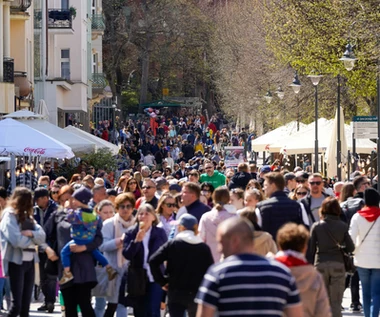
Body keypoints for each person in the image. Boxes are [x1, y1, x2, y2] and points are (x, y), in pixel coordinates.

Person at [195, 217, 303, 317]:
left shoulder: (217, 274)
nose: (219, 249)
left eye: (221, 242)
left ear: (235, 241)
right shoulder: (282, 273)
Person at [149, 214, 214, 317]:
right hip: (196, 293)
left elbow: (153, 261)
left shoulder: (172, 244)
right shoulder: (204, 248)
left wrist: (162, 281)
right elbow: (212, 271)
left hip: (175, 291)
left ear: (182, 227)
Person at [0, 187, 46, 317]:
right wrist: (33, 240)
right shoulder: (9, 216)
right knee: (17, 305)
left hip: (30, 261)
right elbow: (16, 240)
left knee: (26, 306)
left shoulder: (28, 216)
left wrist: (31, 233)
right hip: (15, 262)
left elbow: (42, 235)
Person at [59, 187, 117, 285]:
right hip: (89, 239)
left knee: (64, 252)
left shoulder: (78, 214)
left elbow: (69, 218)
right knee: (96, 253)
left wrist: (69, 209)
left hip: (78, 239)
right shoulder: (94, 214)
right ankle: (109, 267)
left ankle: (67, 272)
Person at [309, 197, 355, 317]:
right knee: (336, 302)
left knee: (321, 301)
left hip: (320, 264)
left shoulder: (316, 226)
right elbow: (351, 248)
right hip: (338, 264)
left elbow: (311, 250)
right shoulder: (343, 226)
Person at [275, 223, 331, 317]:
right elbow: (323, 312)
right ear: (305, 248)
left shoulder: (269, 271)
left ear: (279, 246)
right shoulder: (314, 276)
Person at [122, 204, 168, 317]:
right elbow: (127, 254)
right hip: (137, 277)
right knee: (140, 310)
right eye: (141, 214)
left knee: (153, 310)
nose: (143, 216)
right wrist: (137, 241)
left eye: (147, 214)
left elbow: (166, 254)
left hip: (155, 276)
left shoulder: (160, 233)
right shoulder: (131, 232)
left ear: (153, 217)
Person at [99, 194, 137, 317]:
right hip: (113, 270)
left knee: (124, 304)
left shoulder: (136, 224)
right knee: (112, 304)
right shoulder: (109, 224)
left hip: (131, 270)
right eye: (122, 206)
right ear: (117, 208)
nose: (125, 209)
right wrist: (119, 241)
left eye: (128, 206)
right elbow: (102, 246)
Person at [349, 188, 380, 317]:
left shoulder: (357, 217)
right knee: (377, 293)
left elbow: (351, 238)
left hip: (361, 258)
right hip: (378, 260)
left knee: (365, 292)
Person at [255, 172, 307, 239]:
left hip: (270, 248)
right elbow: (305, 230)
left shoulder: (261, 207)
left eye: (265, 185)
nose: (263, 188)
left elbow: (256, 233)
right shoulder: (298, 206)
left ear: (273, 185)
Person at [33, 187, 59, 313]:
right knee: (41, 276)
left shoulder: (56, 209)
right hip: (37, 246)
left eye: (38, 199)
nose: (36, 202)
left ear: (45, 198)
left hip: (52, 246)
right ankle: (47, 300)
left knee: (51, 275)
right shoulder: (34, 211)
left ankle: (50, 301)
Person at [198, 187, 236, 262]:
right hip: (230, 259)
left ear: (213, 198)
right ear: (228, 199)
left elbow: (201, 239)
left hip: (210, 259)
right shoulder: (235, 217)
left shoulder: (206, 217)